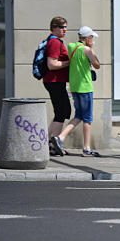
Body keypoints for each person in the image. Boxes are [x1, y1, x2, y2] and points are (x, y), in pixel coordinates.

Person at [50, 26, 101, 157]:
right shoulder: (87, 50)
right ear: (88, 38)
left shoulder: (72, 47)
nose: (93, 40)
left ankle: (60, 138)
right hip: (85, 87)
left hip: (74, 87)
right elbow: (97, 65)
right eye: (92, 38)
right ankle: (86, 148)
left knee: (79, 116)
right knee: (87, 119)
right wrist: (92, 48)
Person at [42, 16, 71, 156]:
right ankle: (54, 144)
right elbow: (52, 64)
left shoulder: (55, 41)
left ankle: (46, 143)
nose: (64, 29)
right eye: (61, 27)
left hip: (55, 82)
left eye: (65, 26)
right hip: (54, 81)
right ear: (53, 28)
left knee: (62, 111)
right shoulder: (54, 43)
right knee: (62, 111)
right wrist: (69, 62)